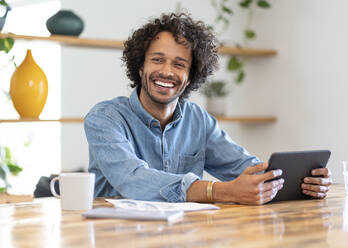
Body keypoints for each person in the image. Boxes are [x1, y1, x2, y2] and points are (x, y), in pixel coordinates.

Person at [84, 13, 332, 205]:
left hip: (185, 236)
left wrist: (302, 182)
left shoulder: (198, 120)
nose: (167, 72)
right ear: (140, 67)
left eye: (179, 64)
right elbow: (133, 180)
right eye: (157, 60)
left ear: (191, 77)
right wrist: (221, 191)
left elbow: (244, 166)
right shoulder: (105, 118)